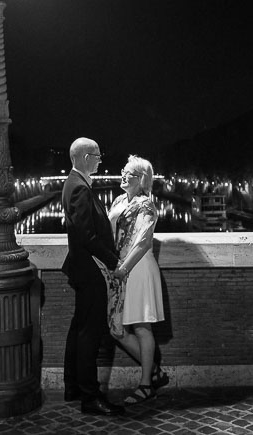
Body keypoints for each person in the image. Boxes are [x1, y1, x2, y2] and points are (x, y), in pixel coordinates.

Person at [60, 137, 125, 416]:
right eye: (98, 155)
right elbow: (87, 236)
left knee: (78, 329)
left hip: (81, 268)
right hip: (90, 270)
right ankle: (90, 396)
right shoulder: (80, 189)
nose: (100, 160)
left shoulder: (74, 184)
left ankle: (72, 386)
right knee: (89, 334)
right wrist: (115, 260)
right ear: (86, 157)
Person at [99, 154, 169, 404]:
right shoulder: (118, 199)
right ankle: (154, 372)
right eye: (123, 170)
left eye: (129, 172)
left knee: (141, 326)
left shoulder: (146, 205)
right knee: (115, 327)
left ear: (142, 180)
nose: (123, 174)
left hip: (136, 268)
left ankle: (146, 384)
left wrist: (123, 269)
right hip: (119, 267)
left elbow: (143, 242)